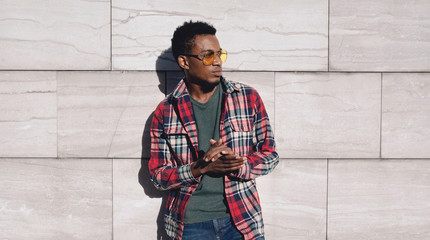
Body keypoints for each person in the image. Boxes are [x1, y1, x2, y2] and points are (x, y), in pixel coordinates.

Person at [148, 20, 279, 240]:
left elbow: (271, 155)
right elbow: (158, 176)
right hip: (190, 227)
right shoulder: (166, 111)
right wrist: (199, 167)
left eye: (220, 54)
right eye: (208, 56)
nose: (217, 62)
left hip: (242, 221)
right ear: (184, 61)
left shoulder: (247, 97)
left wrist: (236, 163)